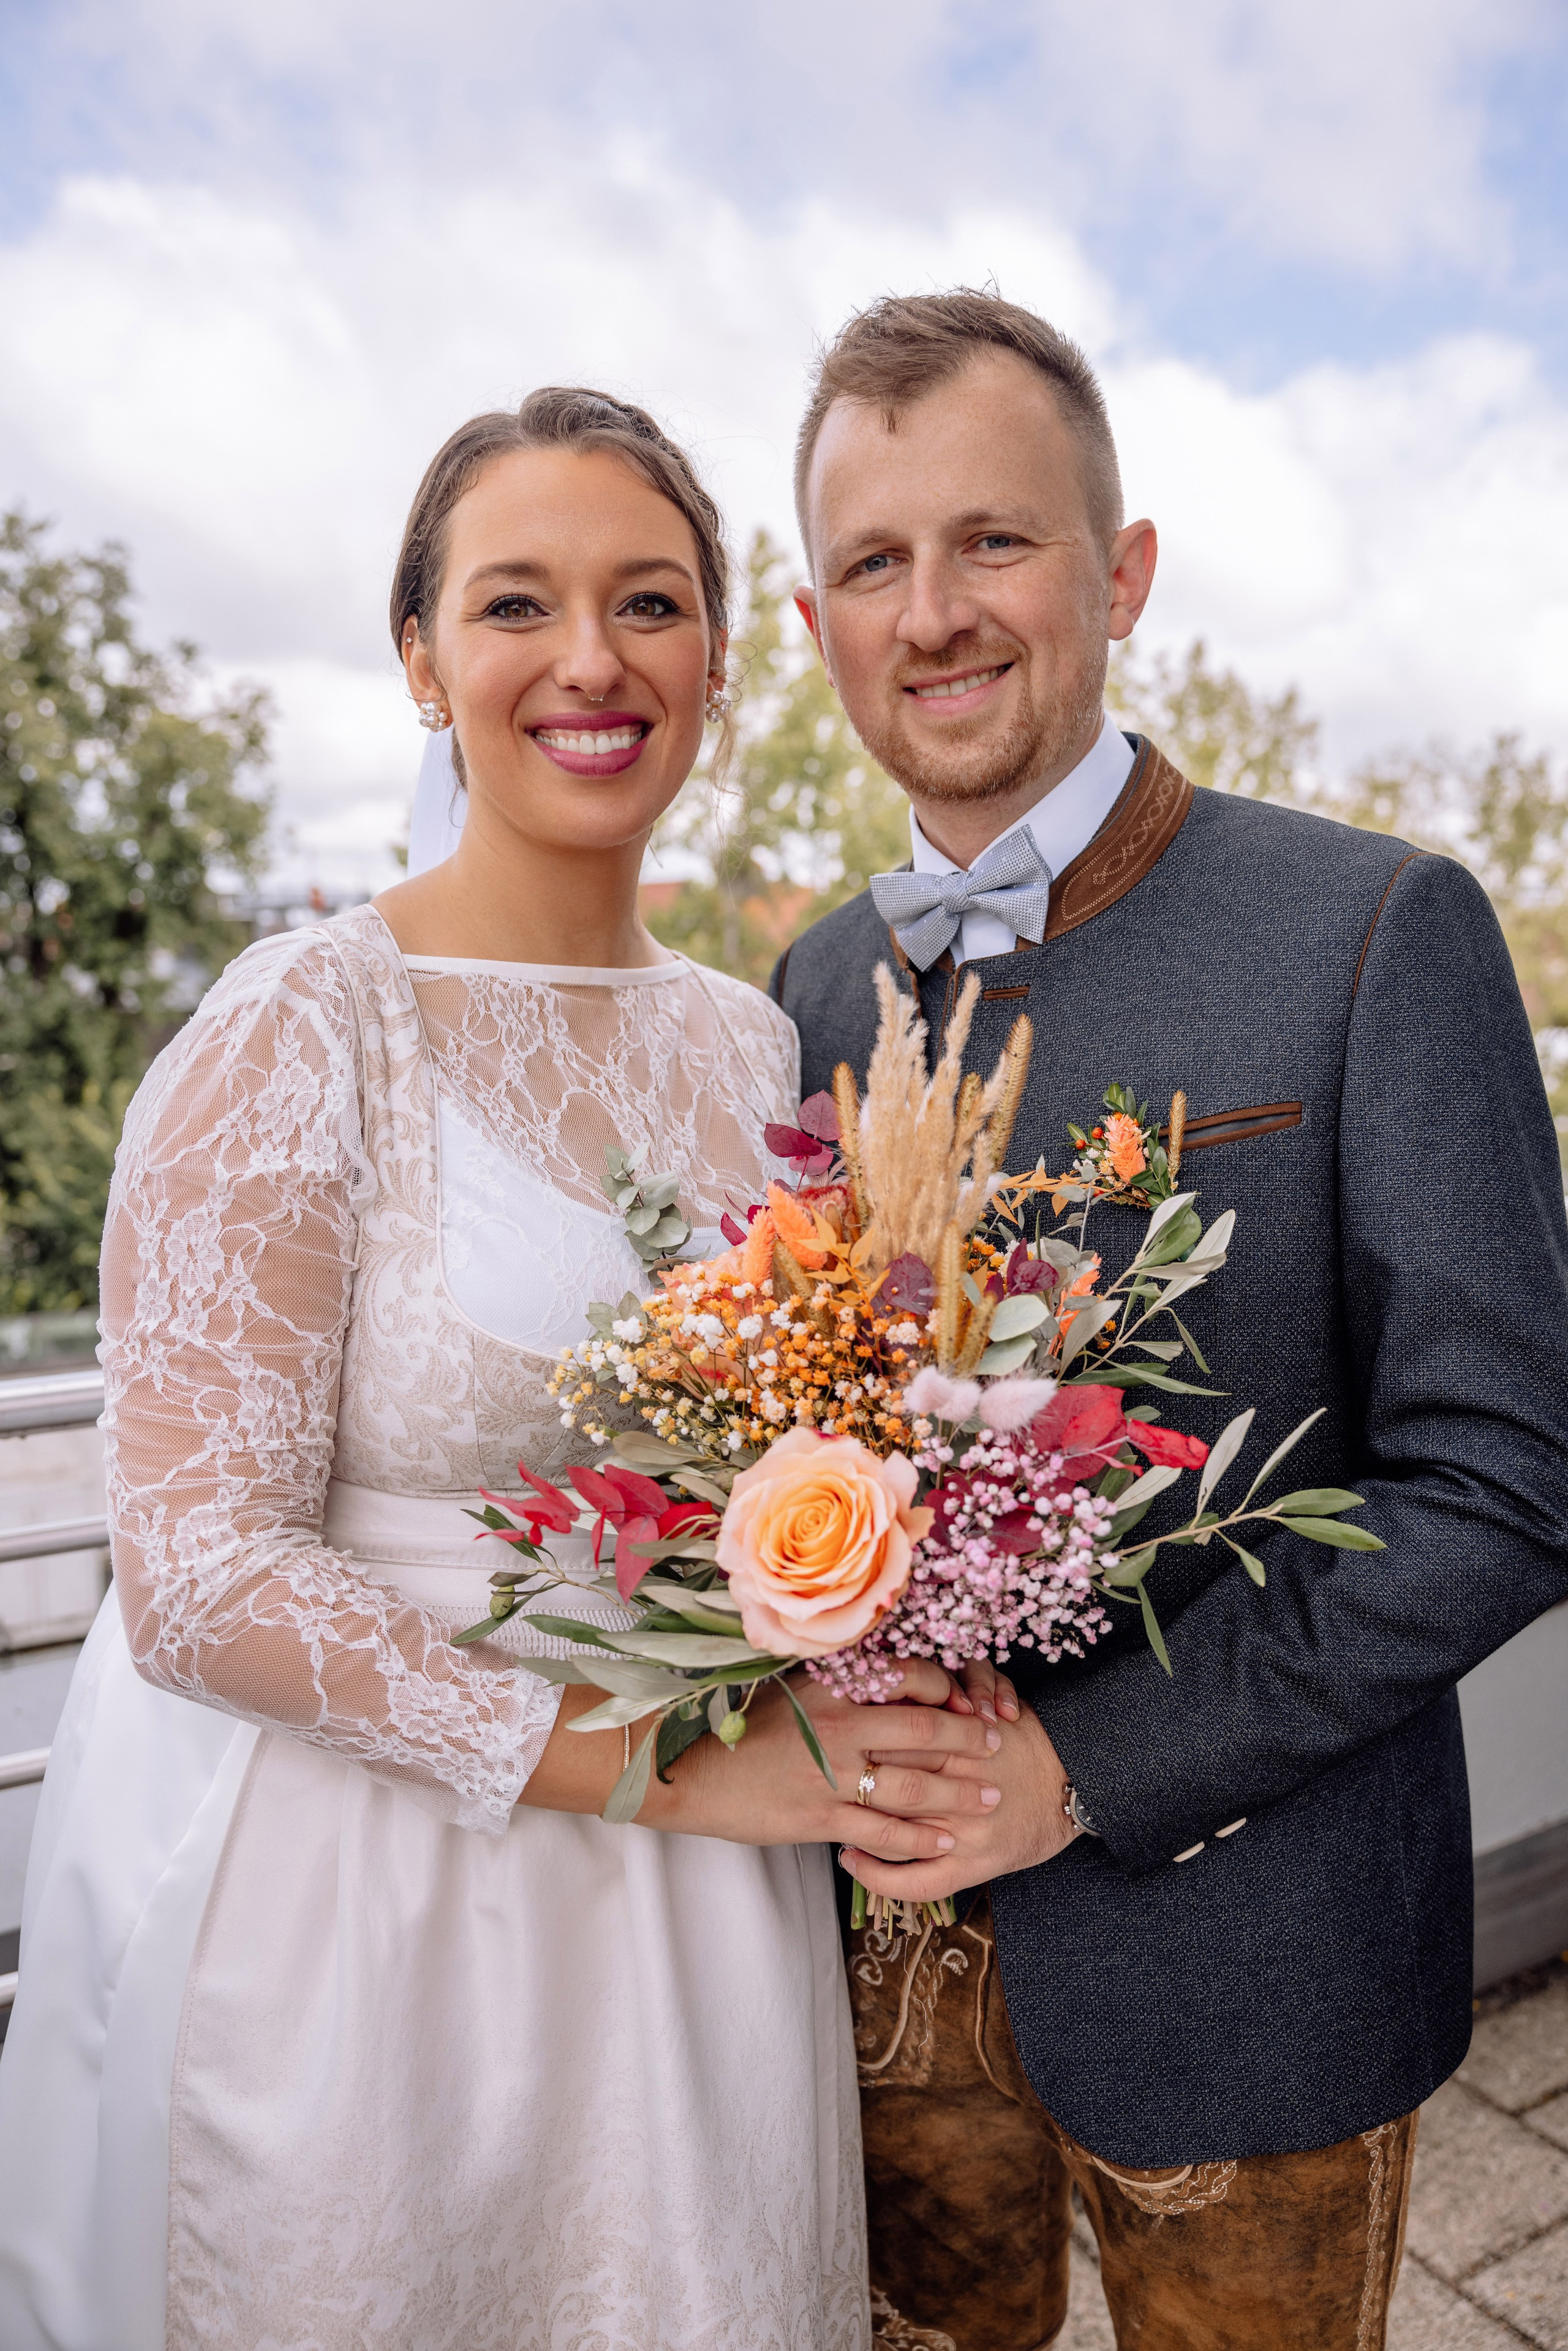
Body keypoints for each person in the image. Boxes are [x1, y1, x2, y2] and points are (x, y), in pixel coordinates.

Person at [0, 386, 1006, 2351]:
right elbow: (195, 1576)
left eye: (651, 602)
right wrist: (680, 1779)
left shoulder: (749, 1043)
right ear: (420, 658)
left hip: (703, 1925)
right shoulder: (300, 1026)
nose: (590, 660)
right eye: (515, 602)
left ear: (719, 663)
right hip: (366, 1907)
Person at [770, 290, 1568, 2351]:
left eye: (994, 541)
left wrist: (1090, 1767)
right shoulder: (807, 983)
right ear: (817, 622)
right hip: (873, 1985)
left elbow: (1509, 1479)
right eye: (875, 562)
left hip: (1258, 1965)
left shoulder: (1375, 926)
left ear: (1121, 574)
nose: (935, 613)